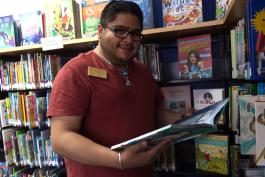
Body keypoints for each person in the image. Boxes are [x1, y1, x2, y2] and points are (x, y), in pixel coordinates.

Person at [47, 1, 189, 177]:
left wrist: (187, 120)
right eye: (120, 31)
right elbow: (60, 138)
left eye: (135, 33)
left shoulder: (143, 71)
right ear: (100, 31)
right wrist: (119, 160)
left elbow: (155, 114)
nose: (129, 40)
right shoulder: (74, 72)